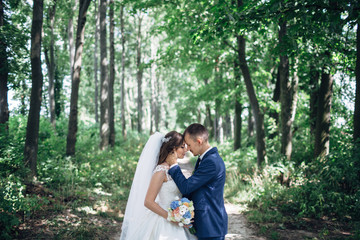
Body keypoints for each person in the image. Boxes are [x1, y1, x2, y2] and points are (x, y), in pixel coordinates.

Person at [120, 131, 197, 240]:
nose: (186, 150)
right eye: (182, 147)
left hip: (178, 221)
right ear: (173, 149)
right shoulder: (161, 171)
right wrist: (171, 217)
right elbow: (148, 201)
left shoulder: (174, 168)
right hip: (164, 221)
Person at [167, 123, 228, 240]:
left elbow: (187, 187)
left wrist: (174, 165)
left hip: (211, 225)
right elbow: (195, 188)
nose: (188, 149)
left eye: (189, 145)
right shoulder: (204, 159)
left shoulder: (211, 162)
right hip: (205, 225)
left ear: (199, 141)